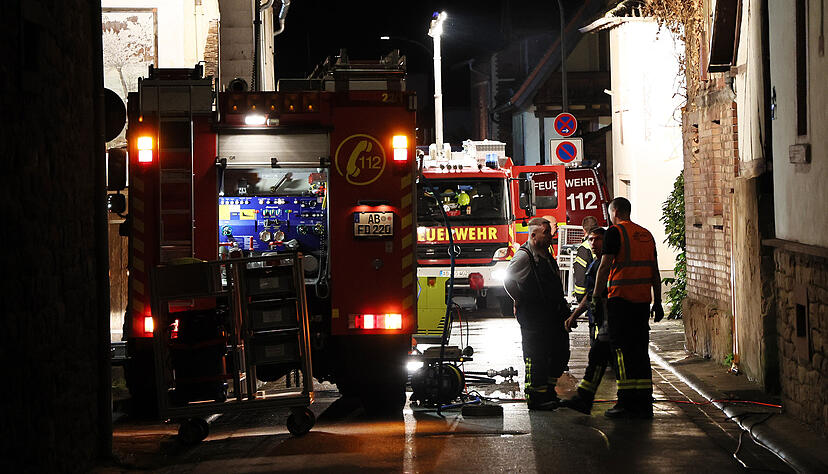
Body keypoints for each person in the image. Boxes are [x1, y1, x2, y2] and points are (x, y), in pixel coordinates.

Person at [592, 197, 663, 418]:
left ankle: (625, 401)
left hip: (620, 301)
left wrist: (595, 297)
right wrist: (658, 302)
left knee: (621, 351)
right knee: (640, 351)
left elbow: (604, 267)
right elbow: (655, 271)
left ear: (615, 212)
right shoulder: (646, 235)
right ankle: (643, 402)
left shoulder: (615, 233)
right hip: (642, 302)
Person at [504, 217, 570, 410]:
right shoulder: (524, 256)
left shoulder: (545, 253)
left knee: (559, 354)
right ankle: (536, 398)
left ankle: (548, 392)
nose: (551, 236)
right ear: (533, 235)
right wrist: (518, 298)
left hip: (552, 314)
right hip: (534, 315)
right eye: (547, 233)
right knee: (536, 356)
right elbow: (508, 280)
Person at [560, 227, 611, 415]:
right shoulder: (596, 264)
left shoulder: (608, 264)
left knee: (605, 358)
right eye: (590, 240)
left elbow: (598, 295)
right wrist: (574, 315)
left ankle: (631, 401)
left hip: (611, 319)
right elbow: (589, 296)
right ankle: (584, 399)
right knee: (599, 358)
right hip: (602, 321)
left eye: (597, 239)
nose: (592, 244)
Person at [572, 216, 599, 320]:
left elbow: (580, 276)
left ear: (584, 229)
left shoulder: (584, 248)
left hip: (591, 297)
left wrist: (580, 298)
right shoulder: (605, 242)